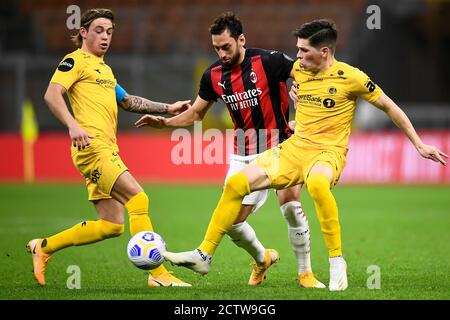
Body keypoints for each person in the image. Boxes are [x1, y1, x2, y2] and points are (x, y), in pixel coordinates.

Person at [159, 19, 448, 291]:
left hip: (328, 152)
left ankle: (336, 261)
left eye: (303, 50)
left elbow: (389, 107)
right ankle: (204, 254)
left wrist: (419, 144)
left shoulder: (352, 77)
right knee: (235, 184)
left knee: (317, 186)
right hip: (294, 147)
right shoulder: (299, 70)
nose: (296, 55)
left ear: (323, 52)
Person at [135, 12, 325, 288]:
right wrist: (165, 123)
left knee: (291, 207)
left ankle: (305, 273)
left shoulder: (268, 61)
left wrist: (301, 92)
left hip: (280, 145)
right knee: (232, 223)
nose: (222, 53)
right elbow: (196, 114)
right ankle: (262, 258)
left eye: (226, 46)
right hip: (243, 152)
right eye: (216, 48)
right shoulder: (213, 75)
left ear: (241, 40)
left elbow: (305, 72)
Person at [27, 8, 192, 287]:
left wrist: (168, 108)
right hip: (92, 147)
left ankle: (43, 247)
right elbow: (51, 94)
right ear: (83, 33)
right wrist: (72, 124)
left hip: (106, 148)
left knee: (112, 225)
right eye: (99, 31)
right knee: (139, 199)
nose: (105, 37)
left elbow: (127, 101)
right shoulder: (74, 61)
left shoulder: (105, 70)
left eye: (110, 32)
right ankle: (158, 275)